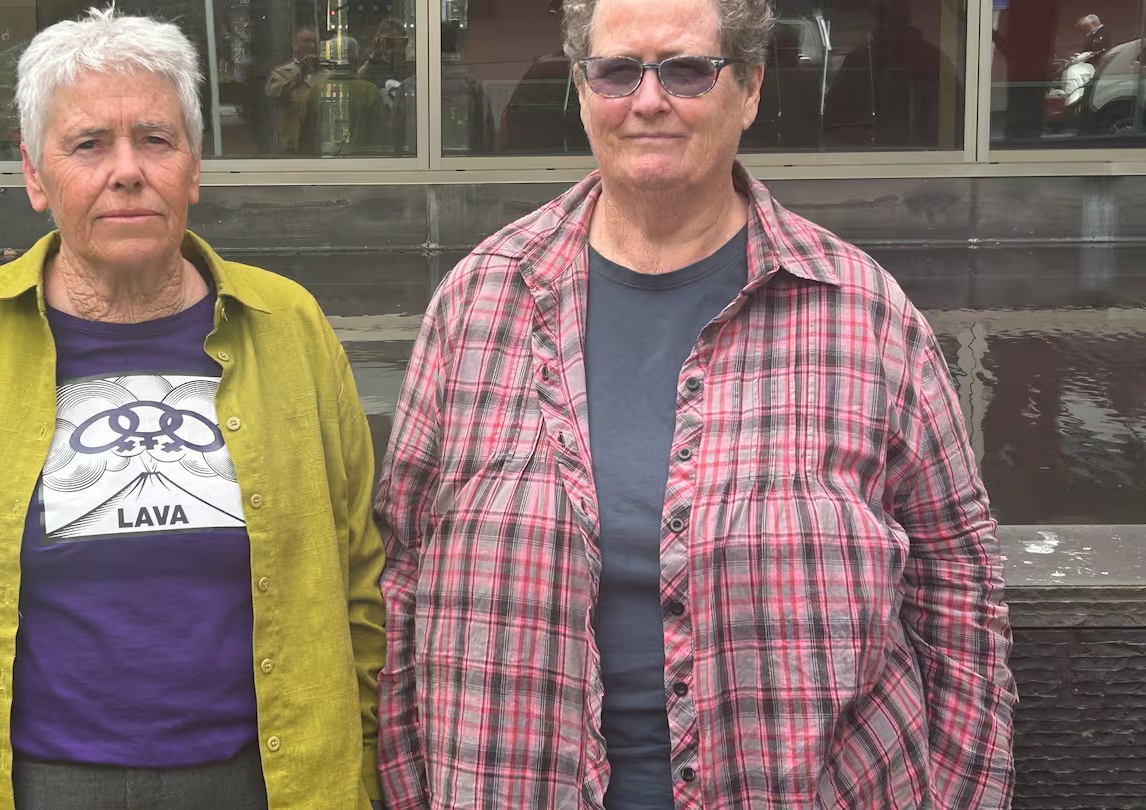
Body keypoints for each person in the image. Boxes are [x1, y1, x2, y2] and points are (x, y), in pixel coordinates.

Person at [374, 0, 1017, 806]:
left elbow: (956, 579)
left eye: (686, 69)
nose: (648, 100)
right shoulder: (477, 303)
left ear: (747, 89)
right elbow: (403, 570)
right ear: (582, 90)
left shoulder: (862, 314)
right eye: (616, 71)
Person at [0, 8, 386, 809]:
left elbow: (359, 569)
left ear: (193, 167)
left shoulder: (287, 326)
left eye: (156, 139)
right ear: (34, 174)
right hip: (26, 783)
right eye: (89, 144)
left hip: (264, 780)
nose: (127, 170)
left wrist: (355, 763)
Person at [264, 26, 321, 153]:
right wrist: (299, 73)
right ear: (295, 45)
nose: (311, 46)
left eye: (314, 42)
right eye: (306, 41)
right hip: (293, 144)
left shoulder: (324, 72)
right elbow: (274, 95)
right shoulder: (281, 73)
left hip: (321, 142)